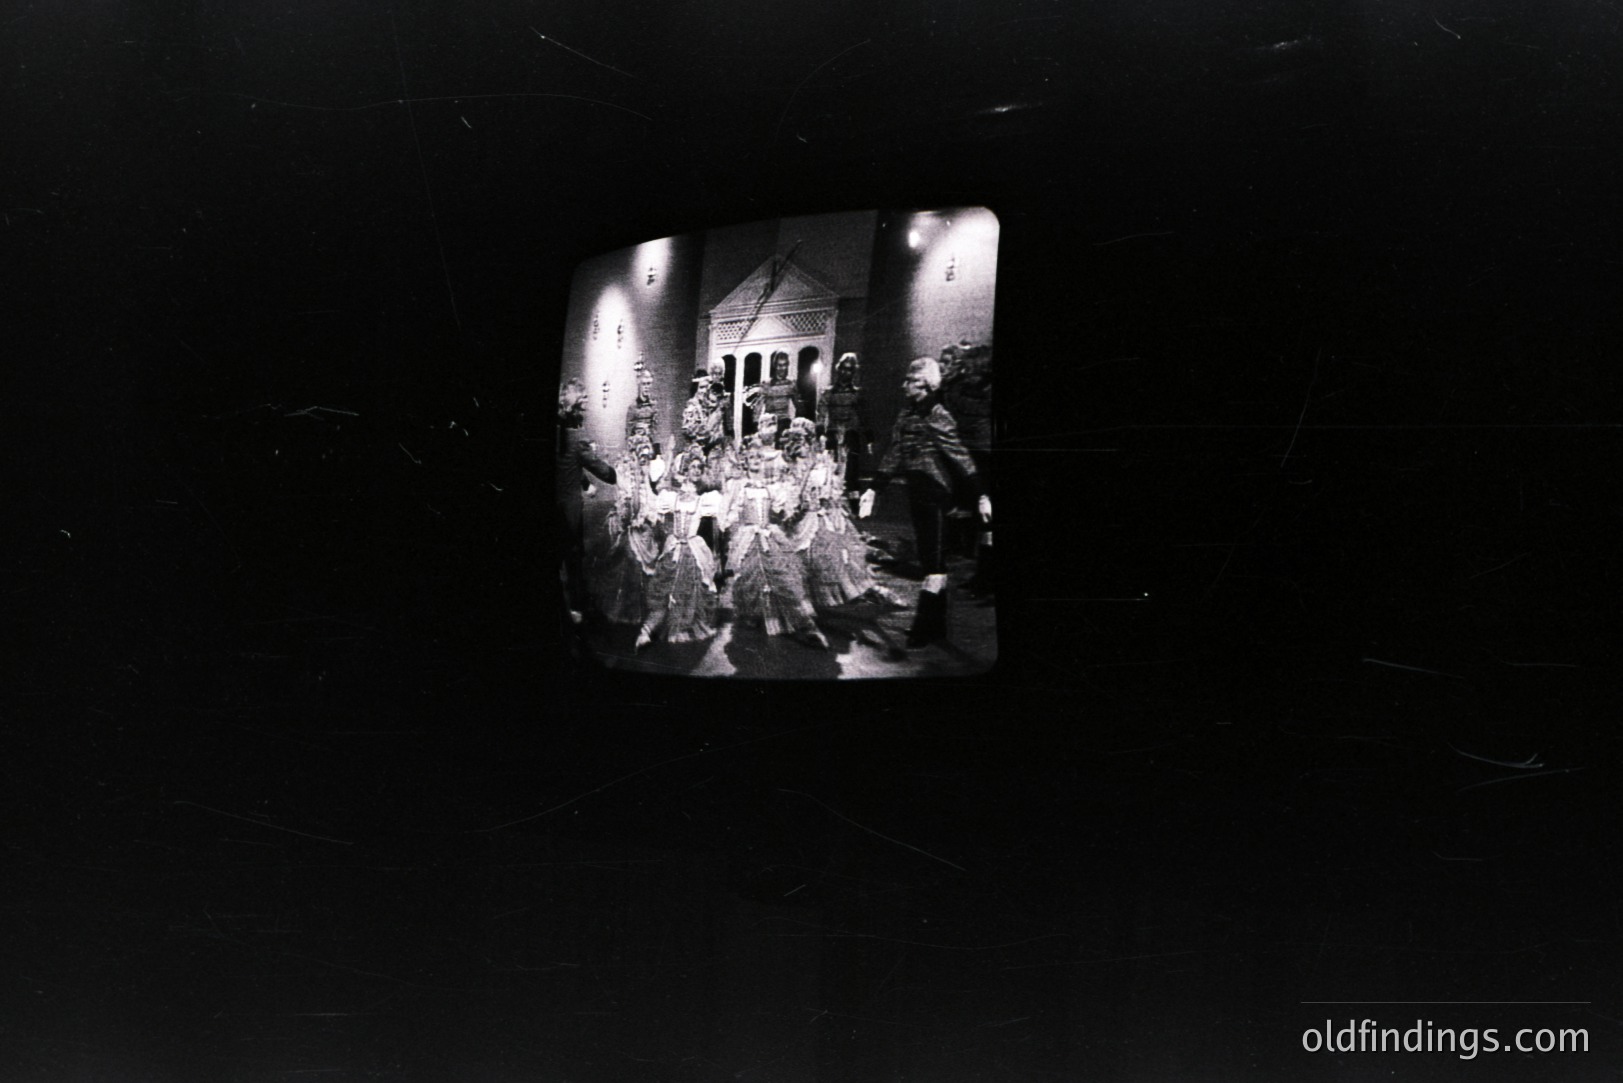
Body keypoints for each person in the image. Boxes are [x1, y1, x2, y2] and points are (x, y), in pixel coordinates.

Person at [861, 357, 990, 648]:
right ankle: (935, 628)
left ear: (925, 384)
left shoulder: (937, 414)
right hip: (918, 495)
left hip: (935, 495)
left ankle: (925, 627)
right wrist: (875, 489)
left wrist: (981, 494)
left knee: (933, 564)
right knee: (931, 559)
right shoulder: (907, 414)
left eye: (910, 380)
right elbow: (894, 453)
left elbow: (960, 456)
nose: (904, 385)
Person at [724, 436, 828, 649]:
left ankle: (805, 626)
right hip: (749, 538)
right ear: (745, 461)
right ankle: (758, 615)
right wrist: (736, 529)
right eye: (751, 457)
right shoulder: (740, 487)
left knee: (781, 577)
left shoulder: (771, 488)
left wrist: (798, 502)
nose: (755, 460)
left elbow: (784, 511)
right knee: (752, 580)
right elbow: (731, 514)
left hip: (770, 535)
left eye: (758, 458)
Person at [636, 450, 723, 650]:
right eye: (692, 466)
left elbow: (717, 514)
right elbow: (658, 509)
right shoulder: (671, 497)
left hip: (692, 549)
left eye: (699, 467)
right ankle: (646, 631)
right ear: (684, 469)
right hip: (674, 546)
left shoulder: (703, 500)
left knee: (687, 590)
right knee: (666, 588)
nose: (697, 470)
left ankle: (678, 626)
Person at [557, 379, 618, 625]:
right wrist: (617, 474)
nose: (585, 411)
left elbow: (568, 465)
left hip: (558, 508)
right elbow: (602, 470)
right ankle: (575, 614)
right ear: (573, 408)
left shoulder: (563, 436)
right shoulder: (576, 439)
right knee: (573, 563)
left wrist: (584, 484)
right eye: (583, 406)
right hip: (569, 513)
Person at [939, 341, 994, 596]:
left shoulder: (984, 391)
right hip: (968, 455)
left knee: (987, 521)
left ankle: (986, 576)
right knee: (974, 517)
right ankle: (981, 574)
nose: (967, 372)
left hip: (986, 457)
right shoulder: (961, 388)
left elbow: (971, 410)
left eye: (971, 368)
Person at [594, 431, 662, 626]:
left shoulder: (645, 473)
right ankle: (628, 607)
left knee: (648, 563)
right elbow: (625, 498)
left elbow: (649, 494)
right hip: (630, 524)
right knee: (630, 562)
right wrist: (630, 515)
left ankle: (647, 607)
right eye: (641, 457)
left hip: (644, 523)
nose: (644, 462)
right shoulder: (625, 474)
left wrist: (651, 514)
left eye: (646, 458)